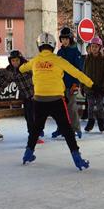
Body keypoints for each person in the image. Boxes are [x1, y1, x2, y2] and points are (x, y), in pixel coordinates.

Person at [19, 33, 93, 169]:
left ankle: (28, 154)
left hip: (39, 100)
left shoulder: (35, 61)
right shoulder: (58, 60)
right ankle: (77, 158)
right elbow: (76, 72)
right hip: (56, 100)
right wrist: (90, 83)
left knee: (36, 128)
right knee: (66, 129)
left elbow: (22, 68)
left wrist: (27, 65)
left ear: (39, 46)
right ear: (53, 47)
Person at [0, 50, 35, 139]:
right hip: (26, 97)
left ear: (21, 59)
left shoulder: (27, 66)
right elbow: (4, 82)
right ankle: (33, 133)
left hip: (36, 95)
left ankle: (36, 133)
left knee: (34, 115)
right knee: (28, 116)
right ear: (10, 61)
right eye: (13, 61)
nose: (15, 62)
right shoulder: (10, 71)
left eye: (17, 60)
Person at [53, 26, 84, 139]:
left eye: (67, 39)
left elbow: (79, 69)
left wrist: (76, 83)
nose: (65, 41)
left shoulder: (75, 52)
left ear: (70, 39)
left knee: (71, 108)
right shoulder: (60, 52)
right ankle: (61, 128)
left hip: (72, 85)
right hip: (61, 86)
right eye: (63, 39)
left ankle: (75, 129)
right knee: (60, 109)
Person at [82, 37, 104, 133]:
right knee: (90, 106)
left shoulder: (103, 60)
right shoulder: (87, 59)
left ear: (99, 48)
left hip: (99, 88)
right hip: (89, 88)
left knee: (99, 107)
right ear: (90, 47)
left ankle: (101, 123)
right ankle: (90, 122)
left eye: (96, 47)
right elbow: (83, 73)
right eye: (92, 46)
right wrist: (82, 86)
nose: (94, 48)